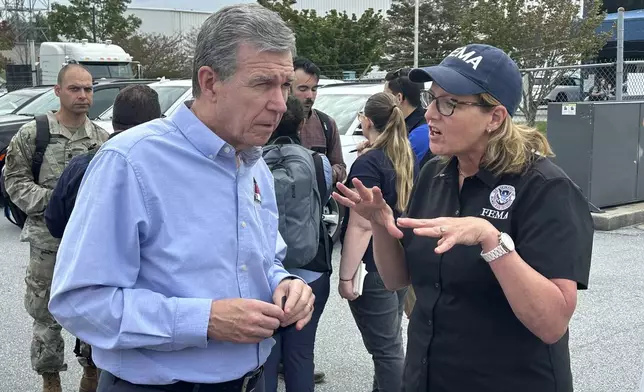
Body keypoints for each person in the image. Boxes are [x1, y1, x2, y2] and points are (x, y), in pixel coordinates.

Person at [48, 4, 314, 392]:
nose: (280, 103)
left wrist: (285, 282)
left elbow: (262, 259)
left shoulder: (252, 160)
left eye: (285, 85)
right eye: (263, 84)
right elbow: (80, 302)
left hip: (252, 380)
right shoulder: (130, 162)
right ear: (209, 82)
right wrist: (204, 320)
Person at [332, 44, 594, 392]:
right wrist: (381, 225)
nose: (430, 115)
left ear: (495, 118)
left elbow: (552, 323)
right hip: (428, 377)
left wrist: (493, 241)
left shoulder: (546, 189)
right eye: (432, 99)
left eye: (449, 104)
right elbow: (399, 279)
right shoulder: (435, 175)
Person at [2, 63, 109, 392]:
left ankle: (91, 374)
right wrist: (56, 202)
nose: (83, 95)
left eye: (88, 89)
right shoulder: (35, 134)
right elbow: (15, 182)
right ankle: (51, 380)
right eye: (75, 88)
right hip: (47, 242)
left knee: (93, 310)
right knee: (45, 316)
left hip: (88, 243)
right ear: (58, 91)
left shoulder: (102, 139)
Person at [338, 91, 417, 392]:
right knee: (391, 344)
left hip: (373, 269)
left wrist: (346, 276)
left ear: (367, 121)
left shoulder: (369, 164)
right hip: (399, 262)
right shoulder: (405, 156)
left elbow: (361, 226)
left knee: (386, 352)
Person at [263, 95, 333, 392]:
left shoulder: (253, 161)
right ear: (303, 123)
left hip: (267, 272)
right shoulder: (319, 162)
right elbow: (324, 201)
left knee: (265, 354)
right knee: (301, 353)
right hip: (312, 268)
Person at [288, 56, 346, 384]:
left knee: (303, 328)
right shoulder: (268, 123)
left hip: (313, 234)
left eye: (314, 89)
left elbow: (340, 168)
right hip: (272, 241)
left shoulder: (325, 124)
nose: (309, 96)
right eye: (303, 88)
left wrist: (317, 172)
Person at [45, 84, 162, 239]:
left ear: (113, 121)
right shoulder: (167, 168)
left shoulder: (82, 166)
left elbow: (55, 224)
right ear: (157, 122)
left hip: (89, 257)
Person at [384, 68, 430, 163]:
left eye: (385, 96)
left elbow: (395, 173)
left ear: (399, 98)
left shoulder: (419, 135)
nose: (382, 101)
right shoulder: (410, 126)